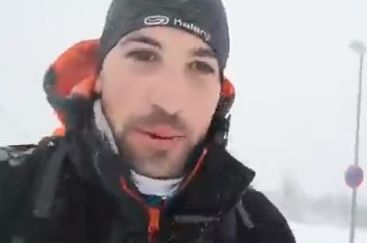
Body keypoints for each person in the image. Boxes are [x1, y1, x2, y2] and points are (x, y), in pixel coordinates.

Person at [0, 0, 296, 242]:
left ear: (220, 94)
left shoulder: (261, 230)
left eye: (199, 66)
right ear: (99, 75)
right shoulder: (10, 190)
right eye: (144, 56)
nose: (169, 101)